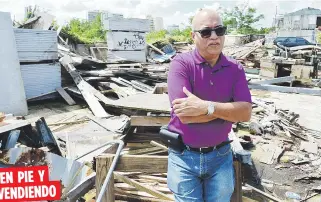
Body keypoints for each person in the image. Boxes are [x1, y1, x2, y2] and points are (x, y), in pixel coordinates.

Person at [166, 8, 252, 202]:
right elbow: (185, 115)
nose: (214, 37)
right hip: (184, 158)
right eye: (206, 32)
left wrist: (206, 107)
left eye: (219, 30)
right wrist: (230, 109)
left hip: (220, 156)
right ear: (193, 36)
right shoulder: (181, 64)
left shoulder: (234, 68)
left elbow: (246, 113)